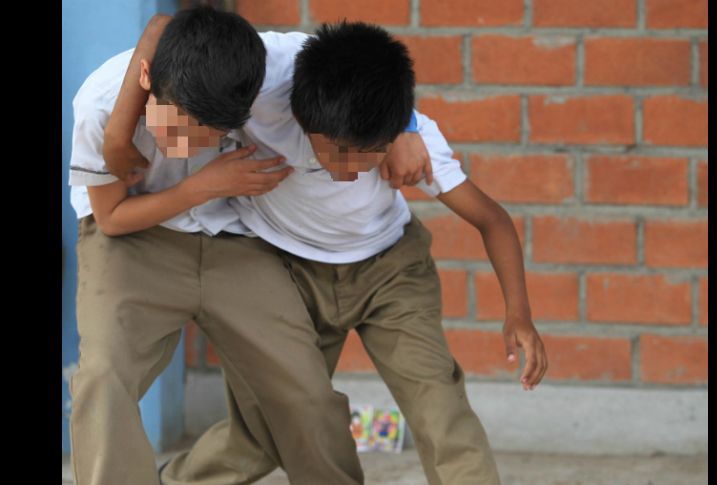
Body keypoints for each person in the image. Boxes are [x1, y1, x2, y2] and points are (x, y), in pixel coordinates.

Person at [107, 17, 548, 485]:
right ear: (300, 117)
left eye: (367, 154)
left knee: (441, 409)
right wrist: (117, 134)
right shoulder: (260, 81)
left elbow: (491, 219)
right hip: (287, 273)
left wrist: (518, 313)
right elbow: (164, 30)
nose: (349, 169)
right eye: (336, 152)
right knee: (268, 429)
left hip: (390, 271)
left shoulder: (407, 137)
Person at [67, 8, 432, 485]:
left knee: (304, 391)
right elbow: (112, 219)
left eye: (206, 137)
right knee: (103, 376)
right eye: (174, 128)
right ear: (146, 79)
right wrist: (195, 182)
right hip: (132, 239)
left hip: (234, 239)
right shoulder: (100, 103)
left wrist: (405, 127)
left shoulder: (264, 68)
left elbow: (367, 72)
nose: (184, 146)